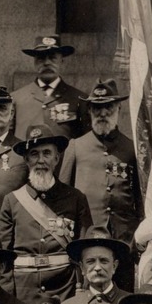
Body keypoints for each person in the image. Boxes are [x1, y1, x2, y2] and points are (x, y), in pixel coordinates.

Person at [0, 123, 94, 300]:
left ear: (57, 159)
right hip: (23, 291)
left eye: (47, 153)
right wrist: (8, 297)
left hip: (65, 288)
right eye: (34, 154)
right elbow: (3, 257)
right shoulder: (12, 201)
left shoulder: (75, 198)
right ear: (26, 160)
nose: (41, 160)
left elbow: (86, 249)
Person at [60, 81, 142, 256]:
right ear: (89, 111)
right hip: (86, 238)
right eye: (97, 108)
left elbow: (140, 199)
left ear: (119, 109)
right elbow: (63, 198)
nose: (103, 113)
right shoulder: (76, 147)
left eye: (109, 107)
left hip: (124, 241)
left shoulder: (131, 149)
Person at [12, 33, 88, 144]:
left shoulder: (79, 99)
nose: (47, 63)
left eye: (52, 58)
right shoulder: (16, 99)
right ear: (34, 62)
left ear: (62, 61)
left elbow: (85, 141)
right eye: (41, 58)